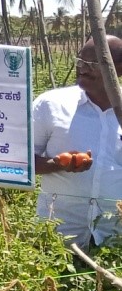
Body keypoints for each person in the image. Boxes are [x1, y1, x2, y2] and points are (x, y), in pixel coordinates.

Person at [32, 34, 122, 247]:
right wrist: (57, 164)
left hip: (116, 236)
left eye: (92, 63)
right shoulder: (51, 105)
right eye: (80, 61)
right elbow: (21, 160)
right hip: (58, 234)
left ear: (118, 68)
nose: (82, 68)